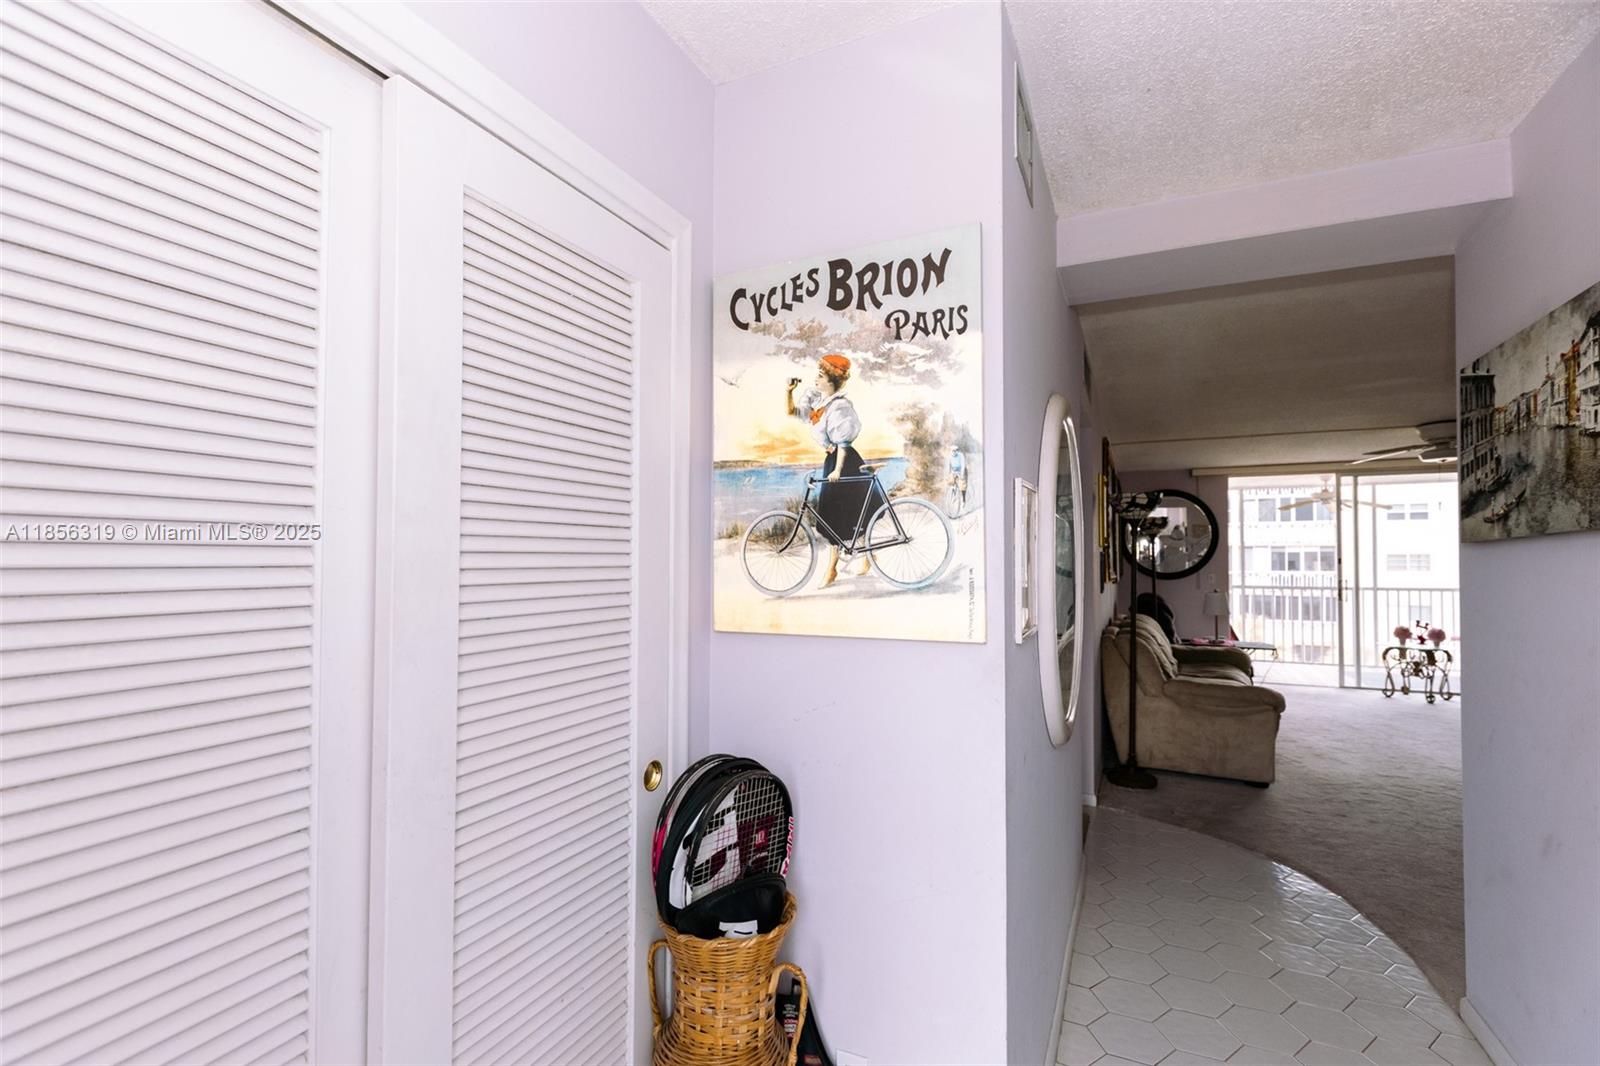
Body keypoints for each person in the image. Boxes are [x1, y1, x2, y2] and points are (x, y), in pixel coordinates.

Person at [787, 353, 873, 588]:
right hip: (832, 461)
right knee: (844, 514)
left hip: (844, 463)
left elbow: (843, 444)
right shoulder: (818, 401)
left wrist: (836, 470)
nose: (816, 379)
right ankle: (862, 560)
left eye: (821, 375)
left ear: (831, 381)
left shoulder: (840, 406)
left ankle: (832, 569)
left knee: (839, 515)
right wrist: (789, 392)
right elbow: (793, 413)